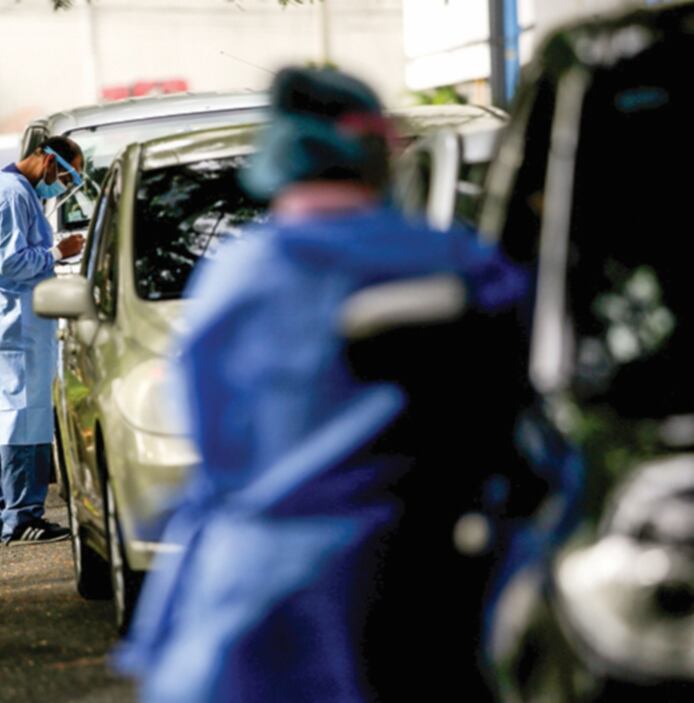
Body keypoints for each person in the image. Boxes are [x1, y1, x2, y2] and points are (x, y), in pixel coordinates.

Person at [114, 68, 574, 702]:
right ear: (377, 151)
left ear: (280, 156)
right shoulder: (459, 263)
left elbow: (216, 445)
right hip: (436, 588)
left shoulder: (239, 278)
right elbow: (531, 413)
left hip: (262, 604)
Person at [0, 137, 85, 546]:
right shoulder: (9, 195)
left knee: (13, 417)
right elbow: (11, 262)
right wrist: (58, 252)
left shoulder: (14, 191)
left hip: (16, 322)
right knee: (21, 417)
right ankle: (21, 517)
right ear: (47, 159)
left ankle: (6, 513)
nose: (62, 184)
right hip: (13, 325)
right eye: (65, 175)